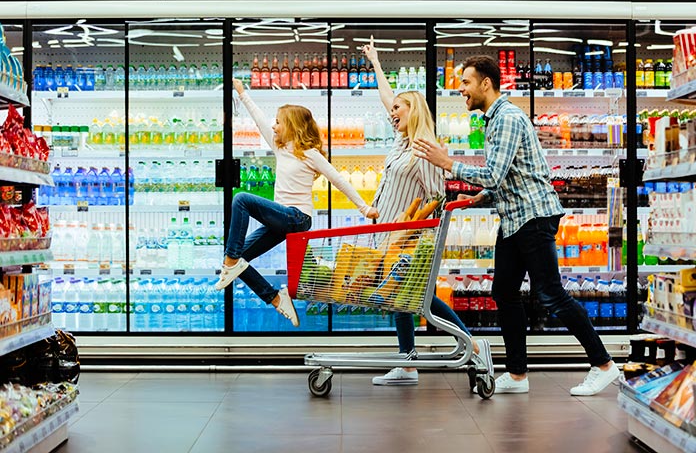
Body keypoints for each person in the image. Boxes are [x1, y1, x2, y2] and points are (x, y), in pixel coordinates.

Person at [413, 55, 620, 396]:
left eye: (465, 82)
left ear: (485, 83)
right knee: (504, 292)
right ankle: (518, 374)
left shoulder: (506, 118)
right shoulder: (492, 120)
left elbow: (495, 173)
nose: (460, 89)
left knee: (550, 293)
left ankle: (604, 365)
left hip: (532, 217)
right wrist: (482, 198)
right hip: (514, 217)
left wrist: (447, 163)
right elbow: (505, 178)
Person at [361, 38, 493, 386]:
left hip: (408, 239)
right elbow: (388, 99)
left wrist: (407, 231)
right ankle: (413, 361)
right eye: (392, 110)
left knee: (416, 299)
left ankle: (466, 346)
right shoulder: (401, 141)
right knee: (407, 299)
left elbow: (436, 196)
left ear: (414, 111)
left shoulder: (425, 146)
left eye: (399, 109)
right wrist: (376, 62)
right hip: (387, 232)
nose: (392, 113)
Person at [216, 79, 379, 327]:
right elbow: (259, 119)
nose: (273, 126)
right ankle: (274, 297)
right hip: (280, 220)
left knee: (241, 200)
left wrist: (364, 207)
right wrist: (241, 92)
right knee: (240, 260)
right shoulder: (280, 148)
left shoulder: (310, 154)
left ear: (291, 126)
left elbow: (338, 179)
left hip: (296, 218)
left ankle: (229, 260)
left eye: (279, 122)